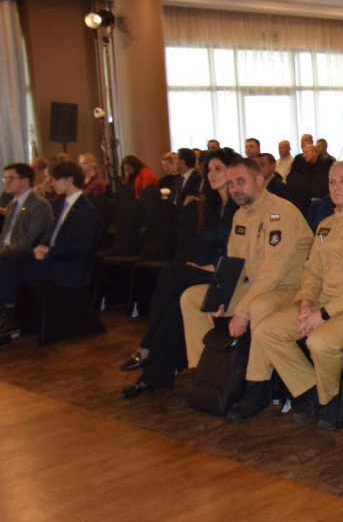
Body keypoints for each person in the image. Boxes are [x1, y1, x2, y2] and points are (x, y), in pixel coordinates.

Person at [237, 160, 343, 424]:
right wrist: (305, 303)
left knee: (320, 341)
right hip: (322, 305)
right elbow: (311, 271)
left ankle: (333, 400)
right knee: (267, 330)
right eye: (332, 182)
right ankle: (311, 390)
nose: (336, 187)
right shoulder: (325, 226)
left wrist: (324, 313)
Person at [179, 158, 312, 412]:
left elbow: (274, 272)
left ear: (260, 181)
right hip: (258, 284)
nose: (235, 189)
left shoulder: (279, 212)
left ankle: (256, 387)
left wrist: (242, 309)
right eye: (231, 184)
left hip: (290, 289)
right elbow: (234, 264)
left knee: (259, 307)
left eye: (241, 182)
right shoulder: (241, 215)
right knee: (193, 298)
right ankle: (202, 376)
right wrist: (220, 295)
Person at [118, 149, 241, 397]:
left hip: (231, 275)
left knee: (172, 275)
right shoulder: (212, 206)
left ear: (233, 171)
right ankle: (153, 373)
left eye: (218, 169)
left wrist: (208, 267)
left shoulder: (239, 206)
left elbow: (241, 253)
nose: (212, 174)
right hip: (209, 271)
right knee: (174, 298)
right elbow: (204, 248)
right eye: (209, 170)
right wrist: (197, 266)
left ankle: (147, 349)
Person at [0, 161, 98, 333]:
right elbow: (52, 235)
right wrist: (41, 247)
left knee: (13, 269)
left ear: (69, 180)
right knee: (7, 259)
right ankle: (8, 313)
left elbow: (82, 246)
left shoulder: (85, 209)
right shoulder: (64, 204)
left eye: (54, 179)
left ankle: (9, 316)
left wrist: (49, 252)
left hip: (67, 267)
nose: (51, 184)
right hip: (53, 256)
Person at [1, 163, 54, 257]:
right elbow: (5, 234)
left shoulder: (39, 205)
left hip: (23, 257)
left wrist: (5, 254)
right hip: (7, 254)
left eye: (11, 178)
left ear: (25, 181)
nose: (6, 182)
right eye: (6, 178)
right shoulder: (12, 204)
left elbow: (31, 238)